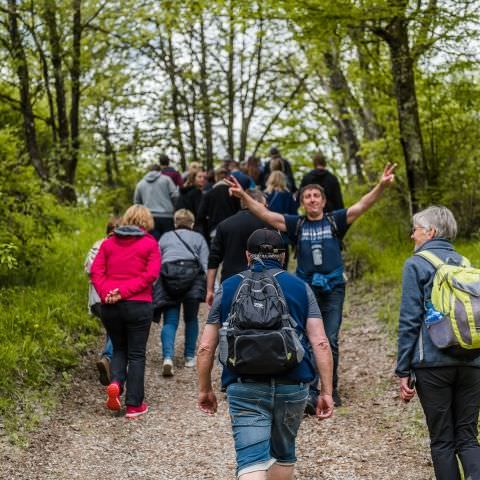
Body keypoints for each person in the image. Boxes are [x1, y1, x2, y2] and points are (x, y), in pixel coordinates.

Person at [227, 164, 396, 406]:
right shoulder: (297, 224)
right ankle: (309, 390)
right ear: (302, 202)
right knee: (303, 337)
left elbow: (362, 205)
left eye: (316, 196)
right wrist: (243, 195)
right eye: (307, 196)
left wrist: (380, 185)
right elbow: (266, 215)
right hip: (306, 289)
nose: (312, 199)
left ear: (324, 201)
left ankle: (331, 388)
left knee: (331, 338)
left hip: (334, 287)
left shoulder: (335, 220)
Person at [197, 229, 334, 480]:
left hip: (244, 384)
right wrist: (326, 391)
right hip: (292, 384)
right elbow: (321, 342)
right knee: (283, 453)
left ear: (247, 255)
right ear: (282, 256)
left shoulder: (228, 287)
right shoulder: (300, 287)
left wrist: (205, 389)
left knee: (251, 460)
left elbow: (206, 346)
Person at [396, 206, 480, 480]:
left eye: (416, 229)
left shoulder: (416, 264)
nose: (412, 235)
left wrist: (403, 370)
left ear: (430, 232)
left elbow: (410, 320)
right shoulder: (465, 263)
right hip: (472, 362)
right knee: (468, 437)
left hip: (432, 364)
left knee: (442, 440)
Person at [91, 205, 161, 418]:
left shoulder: (109, 242)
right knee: (137, 354)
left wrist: (107, 294)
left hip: (110, 306)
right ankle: (134, 404)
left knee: (119, 347)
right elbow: (151, 275)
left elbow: (96, 271)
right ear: (147, 223)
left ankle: (115, 384)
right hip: (138, 305)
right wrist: (123, 292)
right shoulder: (150, 243)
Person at [154, 209, 209, 376]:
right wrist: (209, 286)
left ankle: (168, 357)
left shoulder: (165, 237)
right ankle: (190, 357)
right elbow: (205, 264)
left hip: (169, 278)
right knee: (191, 318)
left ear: (175, 223)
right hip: (192, 279)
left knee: (170, 321)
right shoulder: (199, 238)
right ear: (192, 224)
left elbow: (157, 261)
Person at [205, 190, 271, 306]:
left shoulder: (225, 224)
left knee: (228, 321)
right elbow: (280, 257)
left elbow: (213, 260)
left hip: (230, 281)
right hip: (263, 283)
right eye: (265, 205)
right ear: (258, 204)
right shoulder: (268, 224)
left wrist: (210, 290)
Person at [84, 216, 120, 386]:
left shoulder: (96, 245)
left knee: (111, 327)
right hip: (111, 296)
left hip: (96, 299)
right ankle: (108, 358)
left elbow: (87, 269)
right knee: (117, 327)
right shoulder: (120, 247)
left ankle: (109, 361)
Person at [133, 164, 179, 240]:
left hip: (149, 218)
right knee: (169, 241)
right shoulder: (166, 180)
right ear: (160, 170)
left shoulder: (140, 183)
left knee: (153, 242)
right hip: (167, 217)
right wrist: (175, 208)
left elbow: (137, 203)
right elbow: (175, 195)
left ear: (149, 171)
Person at [196, 167, 240, 243]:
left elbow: (200, 216)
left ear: (215, 178)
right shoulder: (235, 194)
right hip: (233, 230)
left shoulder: (209, 194)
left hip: (215, 230)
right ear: (228, 178)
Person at [265, 171, 298, 268]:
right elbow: (294, 216)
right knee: (282, 267)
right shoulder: (288, 195)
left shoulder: (265, 195)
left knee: (267, 265)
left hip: (266, 235)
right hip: (282, 237)